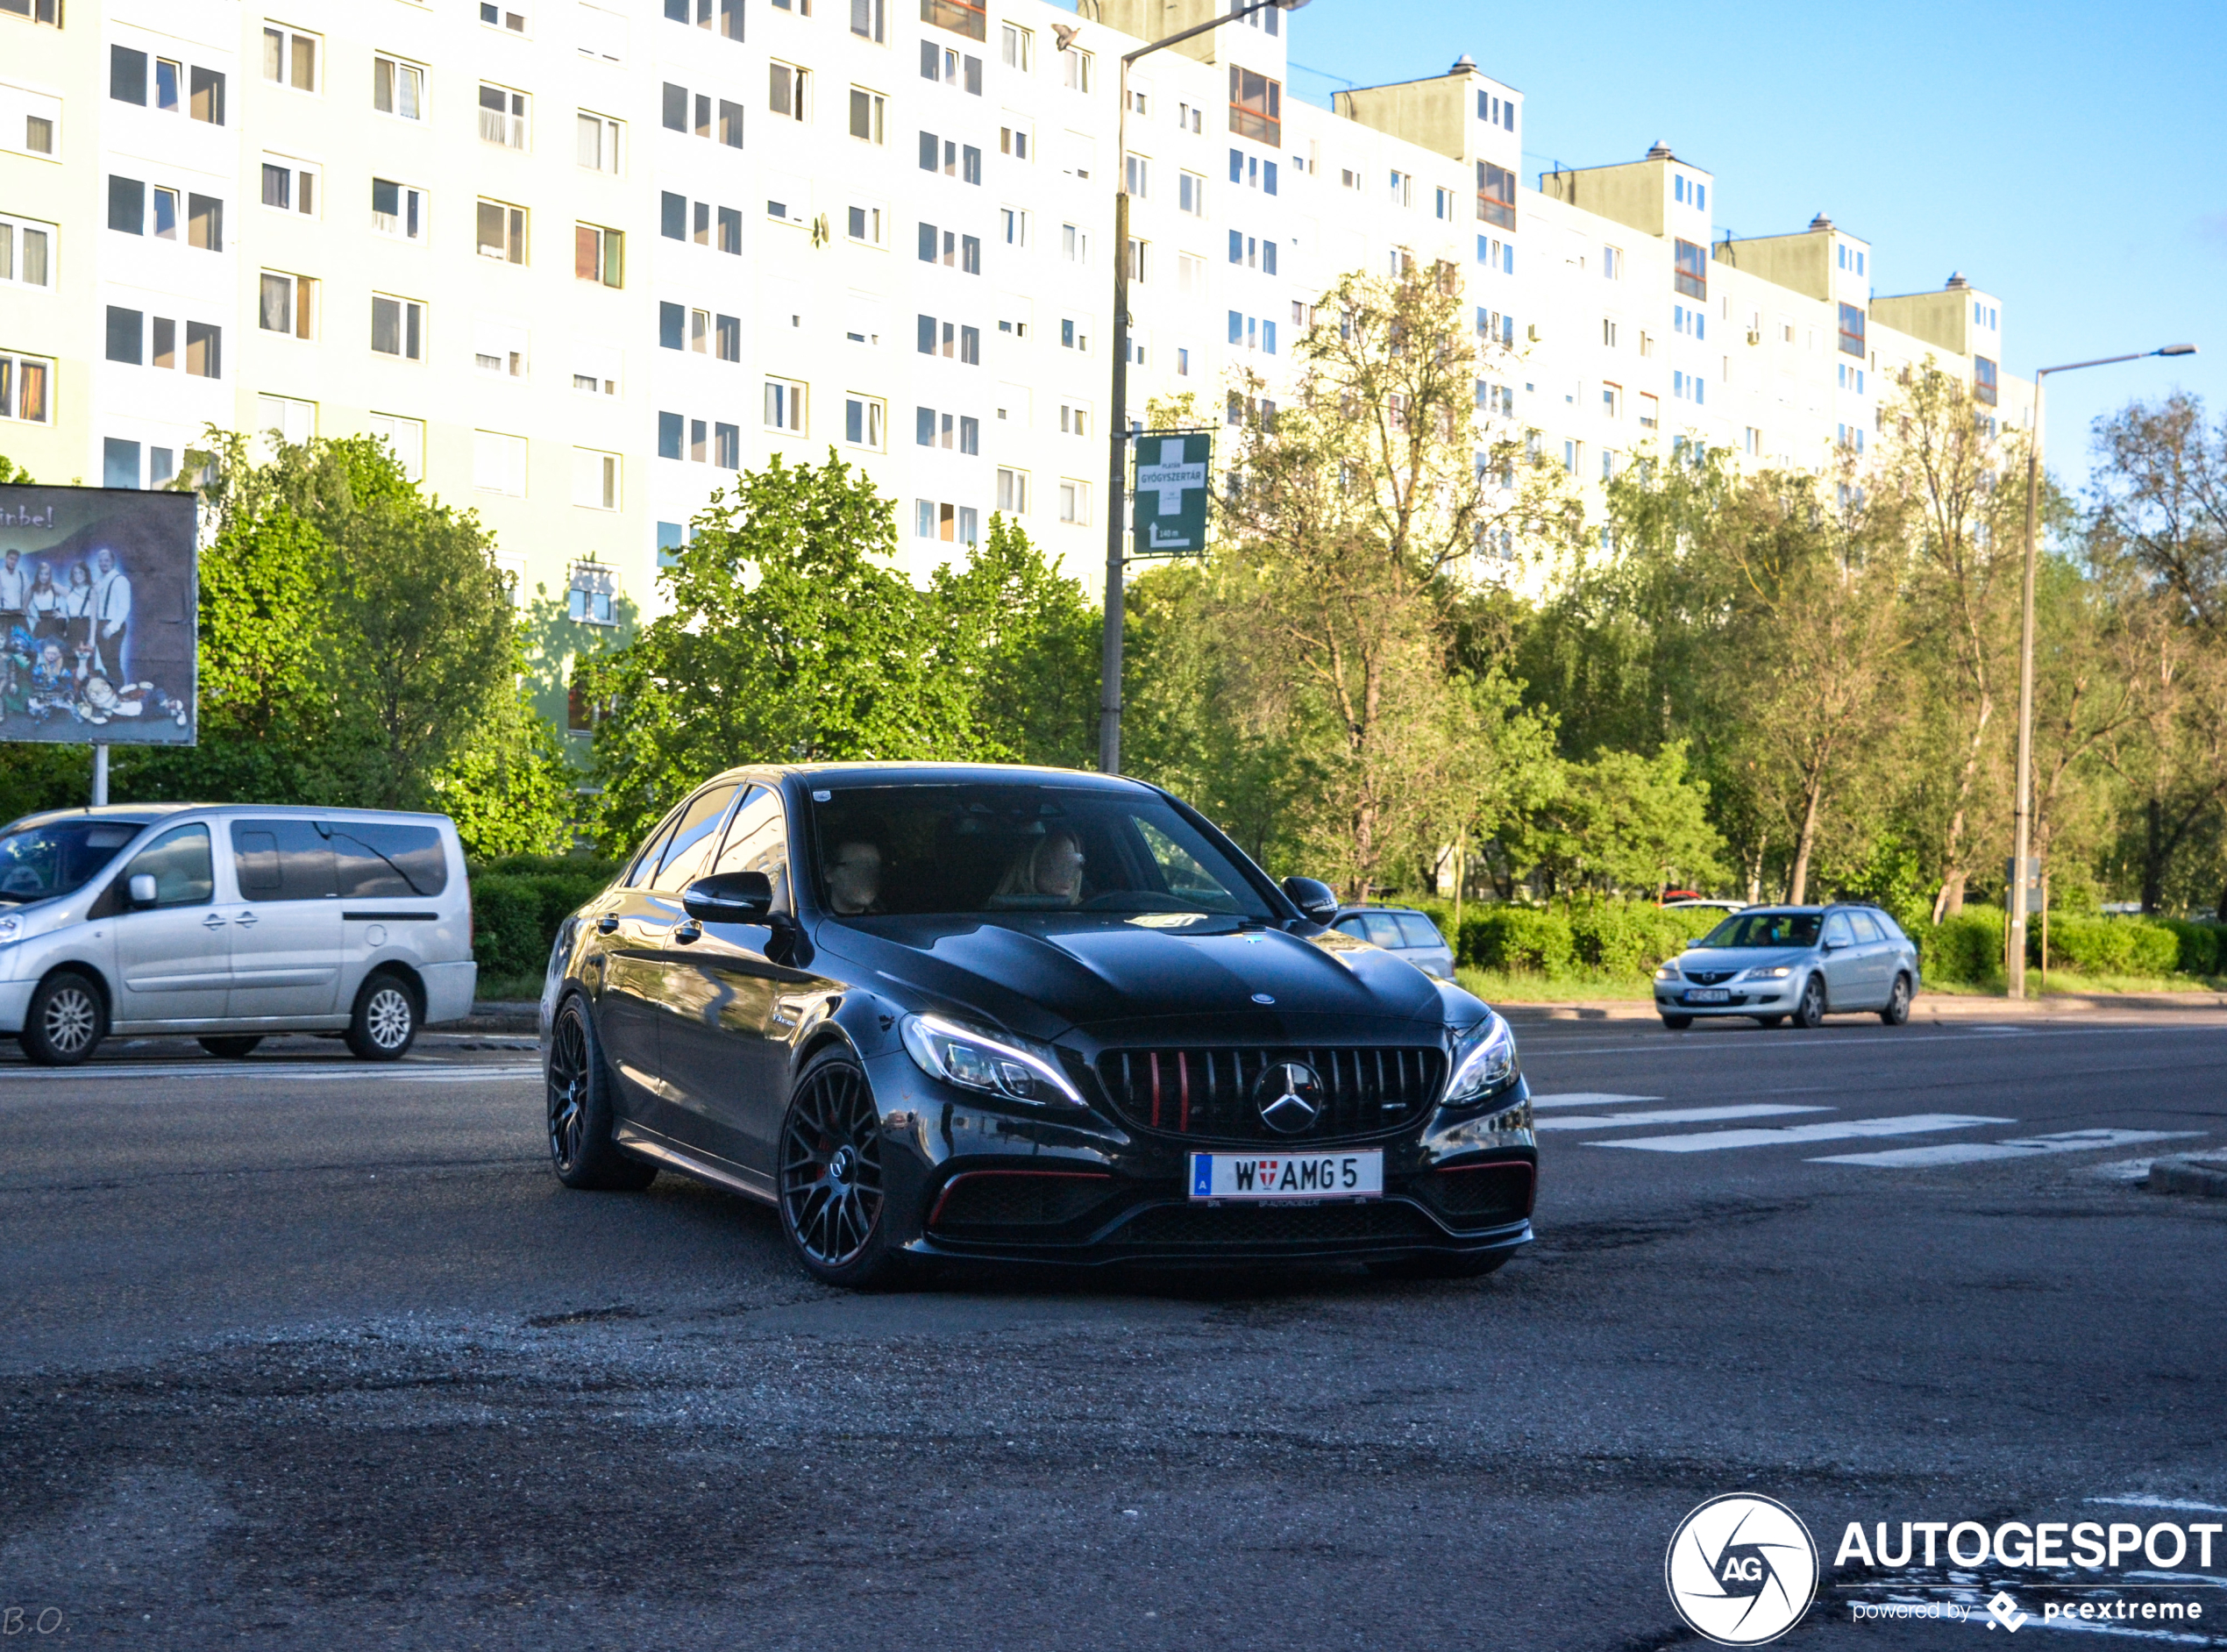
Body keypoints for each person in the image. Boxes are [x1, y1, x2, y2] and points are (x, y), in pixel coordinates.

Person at [993, 829, 1087, 907]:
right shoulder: (1000, 908)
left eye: (1073, 864)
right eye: (1057, 863)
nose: (1068, 873)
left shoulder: (1087, 909)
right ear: (1032, 864)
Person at [89, 547, 131, 682]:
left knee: (112, 663)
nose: (103, 563)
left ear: (113, 561)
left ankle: (120, 691)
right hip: (101, 623)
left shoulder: (120, 580)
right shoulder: (100, 580)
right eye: (100, 561)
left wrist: (111, 627)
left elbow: (124, 607)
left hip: (112, 625)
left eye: (106, 560)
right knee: (105, 662)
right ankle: (113, 691)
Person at [825, 839, 885, 916]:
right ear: (829, 873)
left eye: (875, 867)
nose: (868, 874)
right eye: (857, 866)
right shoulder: (812, 919)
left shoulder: (885, 921)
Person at [60, 561, 93, 665]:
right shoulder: (70, 590)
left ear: (86, 574)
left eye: (81, 573)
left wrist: (92, 637)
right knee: (69, 658)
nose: (78, 576)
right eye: (75, 573)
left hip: (84, 626)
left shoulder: (91, 591)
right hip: (71, 627)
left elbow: (94, 617)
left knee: (83, 658)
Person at [25, 561, 61, 642]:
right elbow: (24, 606)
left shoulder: (54, 586)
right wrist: (32, 617)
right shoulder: (33, 588)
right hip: (41, 623)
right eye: (41, 574)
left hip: (55, 622)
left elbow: (72, 597)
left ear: (50, 575)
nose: (44, 577)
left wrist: (64, 614)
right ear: (37, 575)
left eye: (46, 574)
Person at [0, 548, 24, 633]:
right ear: (6, 558)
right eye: (11, 559)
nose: (13, 562)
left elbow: (29, 592)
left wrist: (25, 608)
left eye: (15, 560)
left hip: (18, 613)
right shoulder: (1, 575)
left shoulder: (21, 575)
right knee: (4, 640)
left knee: (25, 639)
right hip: (5, 614)